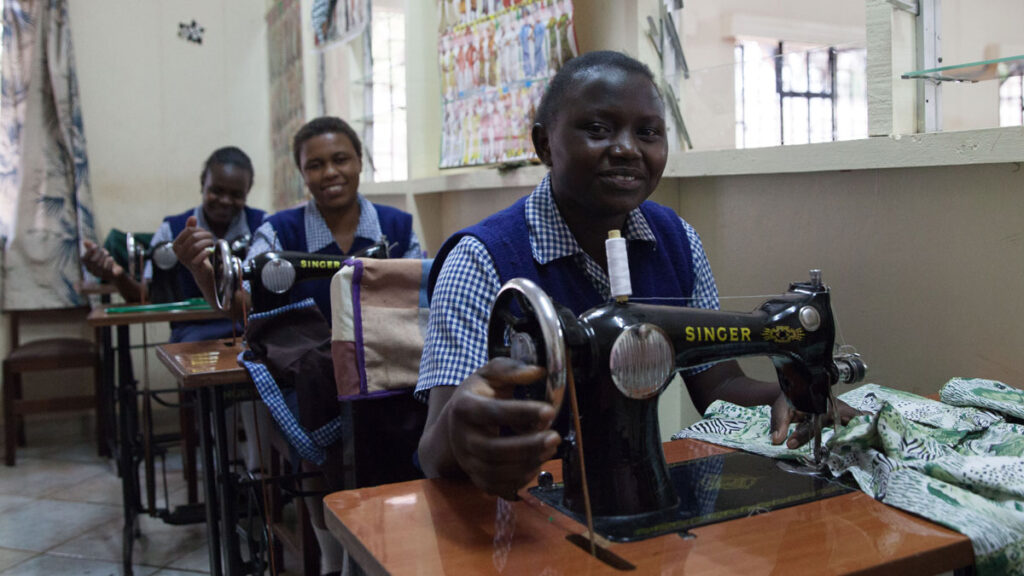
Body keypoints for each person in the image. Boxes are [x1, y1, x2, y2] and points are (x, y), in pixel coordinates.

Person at [415, 51, 860, 499]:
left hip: (632, 496)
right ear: (544, 144)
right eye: (598, 129)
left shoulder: (677, 242)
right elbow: (435, 454)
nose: (627, 148)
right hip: (515, 508)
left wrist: (781, 397)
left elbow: (719, 385)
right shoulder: (482, 260)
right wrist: (459, 431)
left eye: (647, 132)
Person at [175, 116, 422, 576]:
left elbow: (418, 295)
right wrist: (204, 273)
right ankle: (335, 553)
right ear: (301, 173)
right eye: (315, 165)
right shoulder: (279, 232)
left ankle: (382, 538)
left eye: (340, 159)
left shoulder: (396, 227)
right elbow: (240, 300)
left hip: (379, 368)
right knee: (320, 418)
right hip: (309, 375)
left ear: (360, 162)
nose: (329, 172)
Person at [82, 146, 266, 343]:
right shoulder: (172, 229)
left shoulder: (264, 226)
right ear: (203, 184)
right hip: (193, 332)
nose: (225, 201)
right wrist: (116, 275)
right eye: (216, 191)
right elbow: (146, 295)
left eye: (236, 194)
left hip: (250, 328)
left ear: (248, 192)